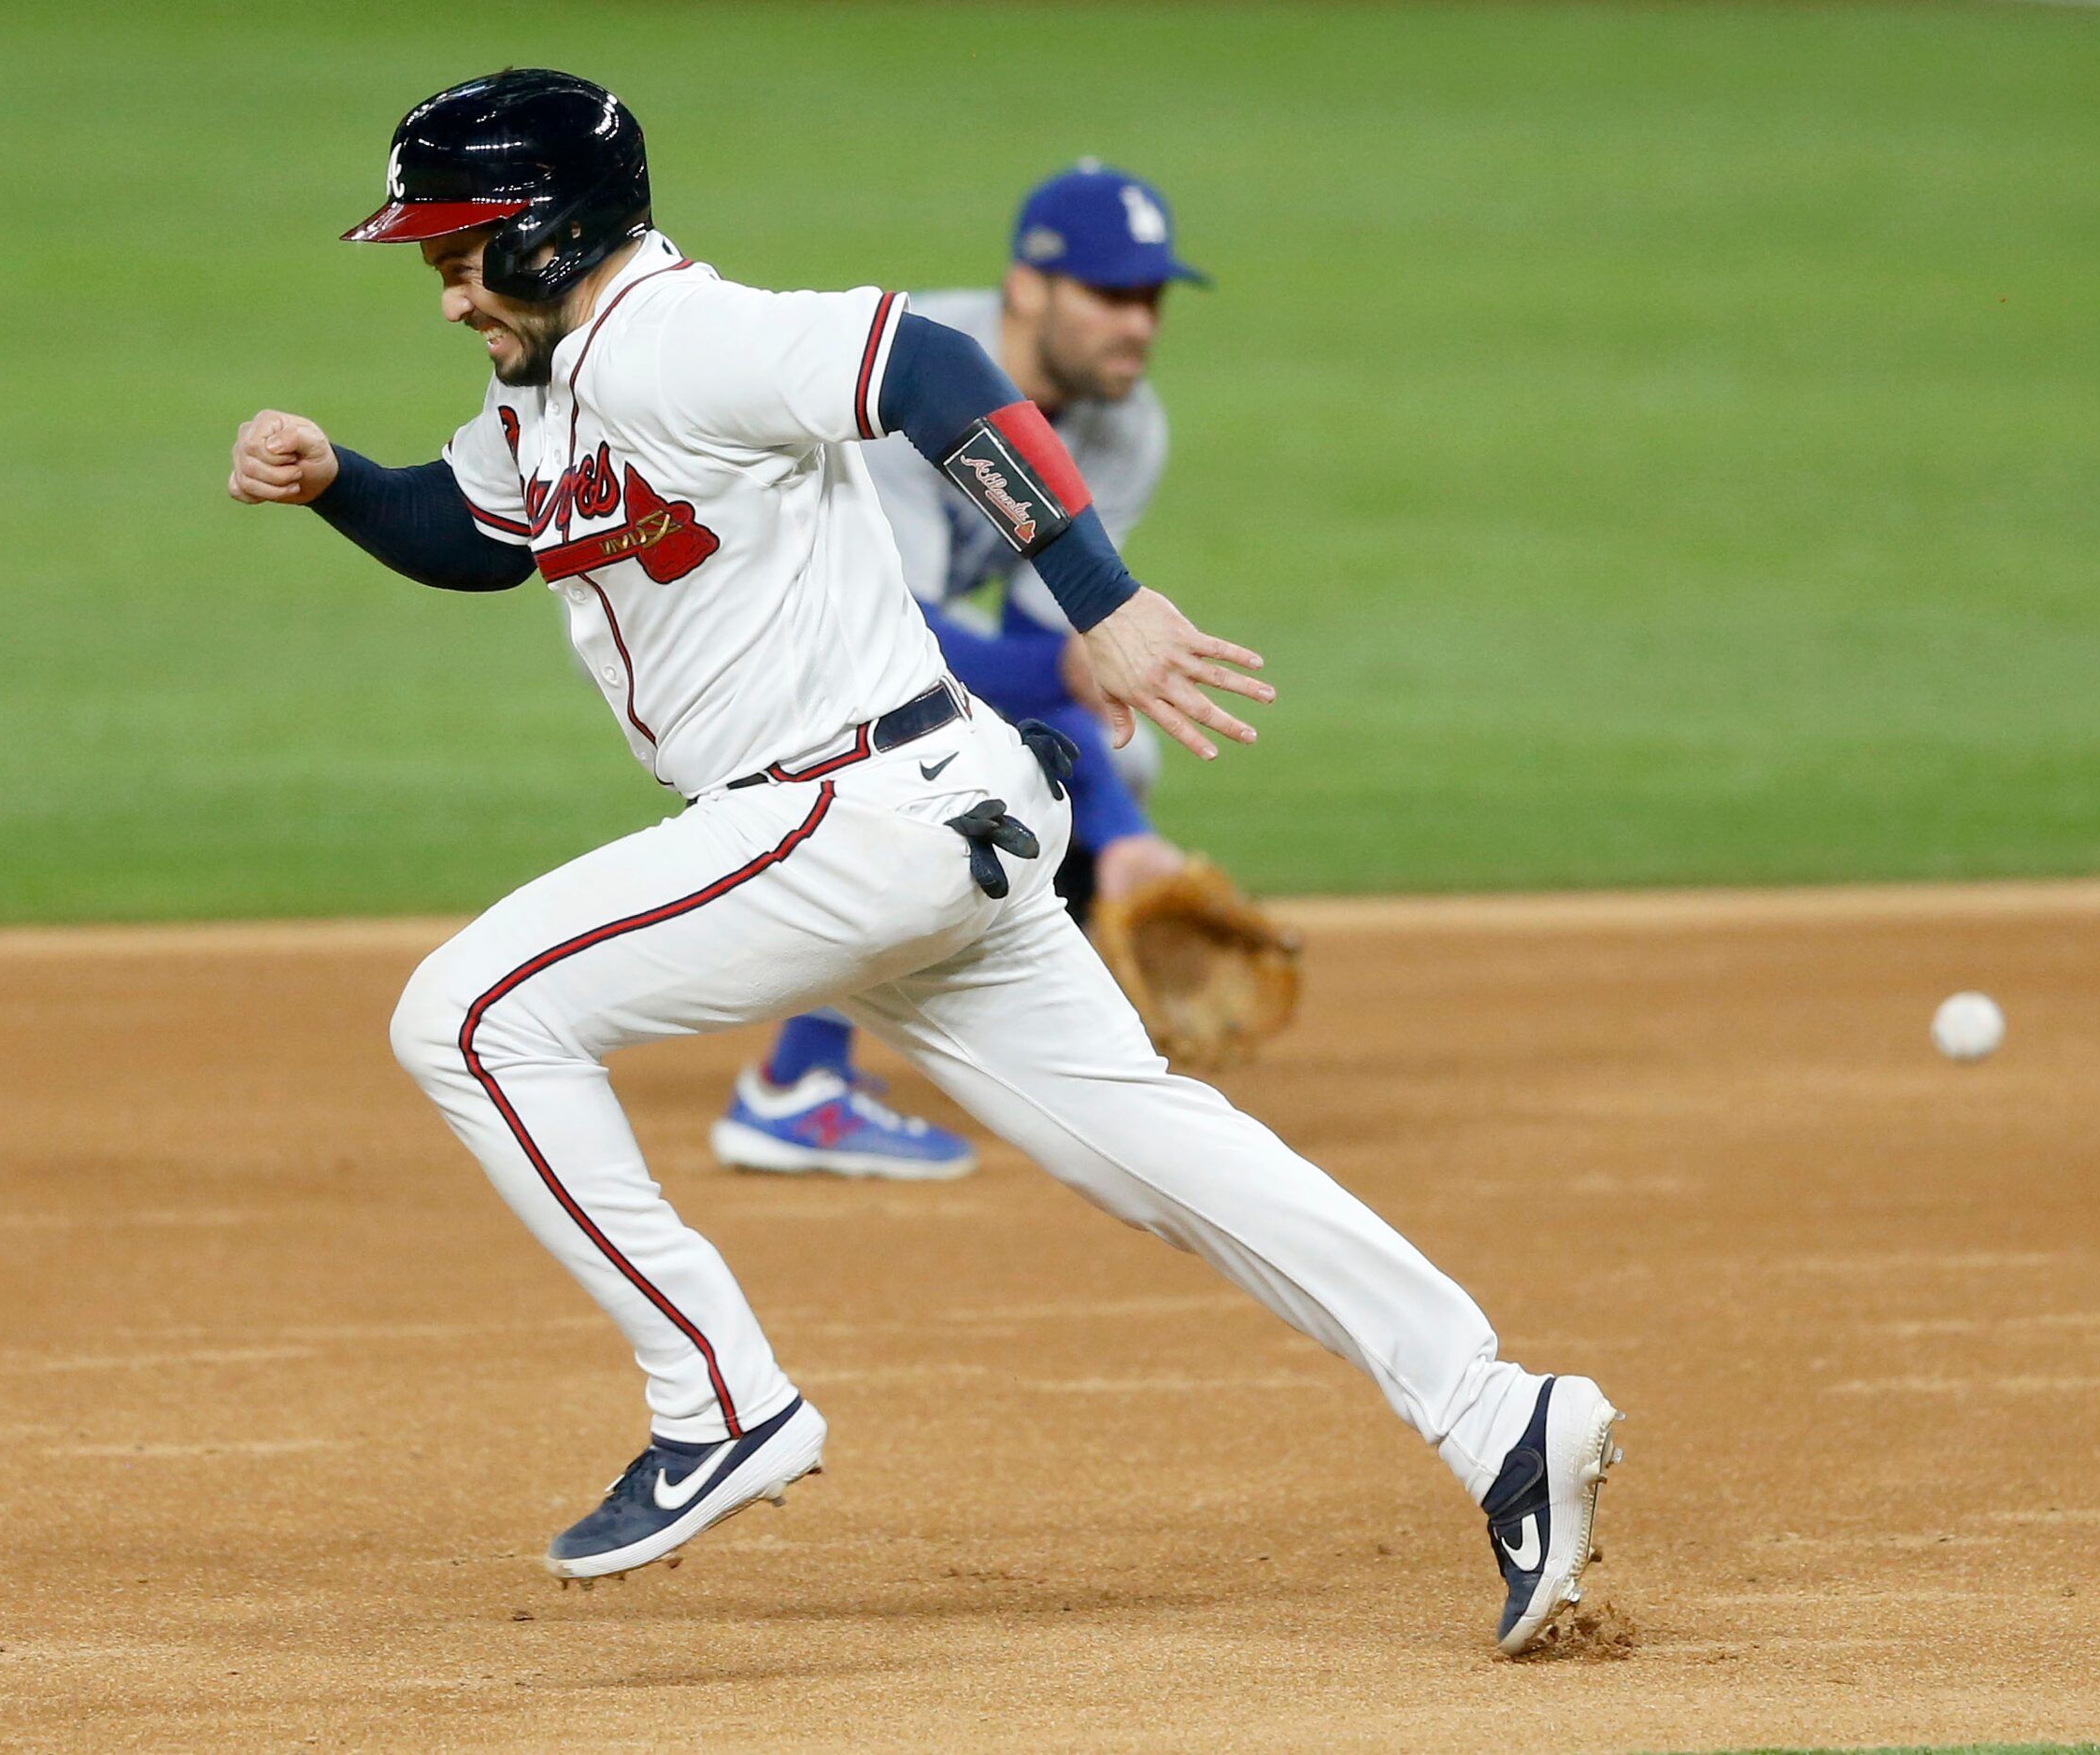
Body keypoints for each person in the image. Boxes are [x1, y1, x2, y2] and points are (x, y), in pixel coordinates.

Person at [225, 69, 1619, 1655]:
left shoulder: (677, 333)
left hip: (841, 812)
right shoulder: (546, 386)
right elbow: (478, 531)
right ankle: (1504, 1416)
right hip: (918, 827)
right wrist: (338, 483)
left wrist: (1098, 594)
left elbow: (934, 366)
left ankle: (719, 1396)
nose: (449, 287)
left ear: (552, 230)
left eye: (463, 253)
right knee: (1156, 1153)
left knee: (470, 1015)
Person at [712, 162, 1199, 1182]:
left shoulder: (1124, 423)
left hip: (859, 640)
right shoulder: (914, 385)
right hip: (714, 629)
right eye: (1110, 296)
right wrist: (1102, 794)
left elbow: (1064, 666)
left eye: (1149, 298)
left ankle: (1032, 1036)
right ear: (1028, 287)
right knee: (903, 780)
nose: (1138, 326)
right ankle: (794, 1085)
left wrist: (1123, 842)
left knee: (1104, 763)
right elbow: (918, 646)